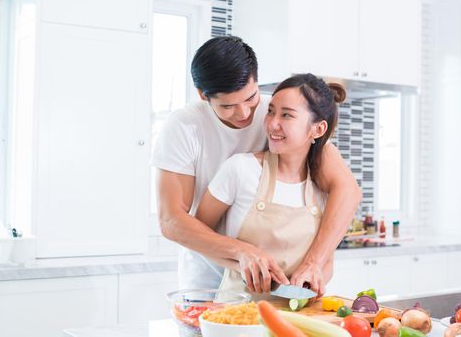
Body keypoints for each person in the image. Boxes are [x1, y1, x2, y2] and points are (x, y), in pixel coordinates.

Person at [152, 36, 361, 294]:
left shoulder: (275, 112)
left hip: (272, 290)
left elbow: (347, 189)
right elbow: (171, 221)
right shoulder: (184, 127)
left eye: (250, 98)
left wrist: (314, 262)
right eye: (227, 105)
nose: (243, 113)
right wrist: (241, 251)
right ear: (203, 96)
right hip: (206, 279)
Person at [195, 74, 344, 297]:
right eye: (271, 111)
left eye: (287, 115)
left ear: (318, 129)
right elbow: (199, 237)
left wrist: (313, 280)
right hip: (235, 317)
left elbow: (327, 260)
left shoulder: (324, 190)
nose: (273, 123)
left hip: (297, 319)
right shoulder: (240, 170)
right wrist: (241, 261)